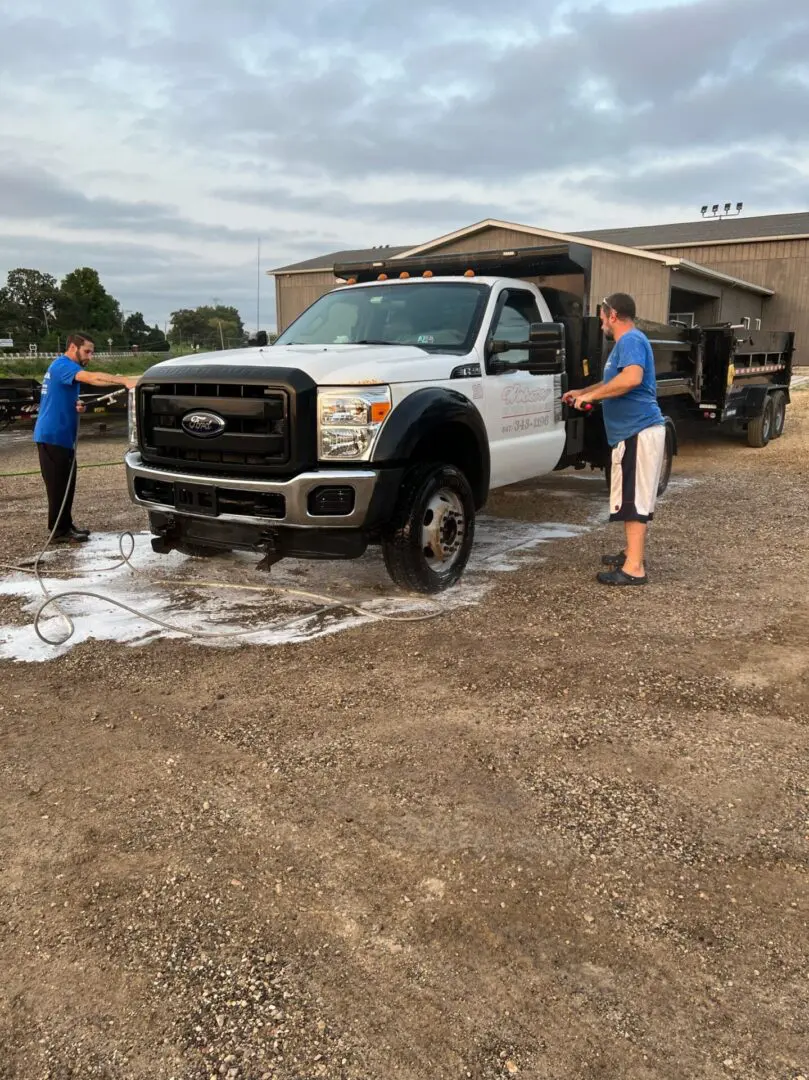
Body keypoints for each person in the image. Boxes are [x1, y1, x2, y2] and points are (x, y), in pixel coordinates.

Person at [563, 293, 666, 587]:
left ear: (613, 315)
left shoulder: (631, 340)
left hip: (638, 431)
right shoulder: (626, 343)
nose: (601, 324)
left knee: (633, 499)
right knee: (629, 496)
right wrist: (582, 392)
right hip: (632, 432)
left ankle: (634, 568)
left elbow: (632, 378)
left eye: (602, 317)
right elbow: (612, 383)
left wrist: (592, 398)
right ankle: (629, 553)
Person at [33, 333, 140, 543]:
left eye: (91, 352)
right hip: (52, 436)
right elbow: (92, 377)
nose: (90, 356)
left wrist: (77, 404)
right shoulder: (62, 365)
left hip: (62, 436)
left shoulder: (64, 369)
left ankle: (65, 525)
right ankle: (59, 532)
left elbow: (59, 395)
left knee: (66, 483)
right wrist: (123, 380)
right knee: (58, 486)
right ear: (73, 347)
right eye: (87, 351)